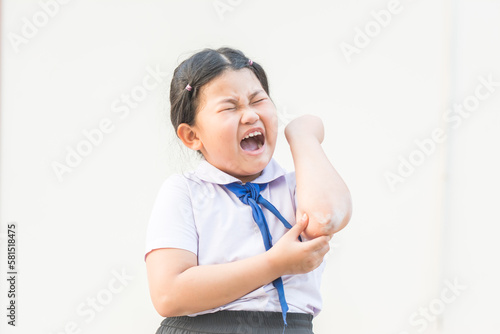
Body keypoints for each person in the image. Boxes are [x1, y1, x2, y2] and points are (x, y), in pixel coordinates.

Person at [145, 47, 352, 334]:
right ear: (192, 136)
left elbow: (327, 217)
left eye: (258, 100)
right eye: (230, 107)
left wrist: (303, 137)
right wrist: (274, 264)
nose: (250, 115)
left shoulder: (297, 187)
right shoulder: (185, 192)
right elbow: (169, 295)